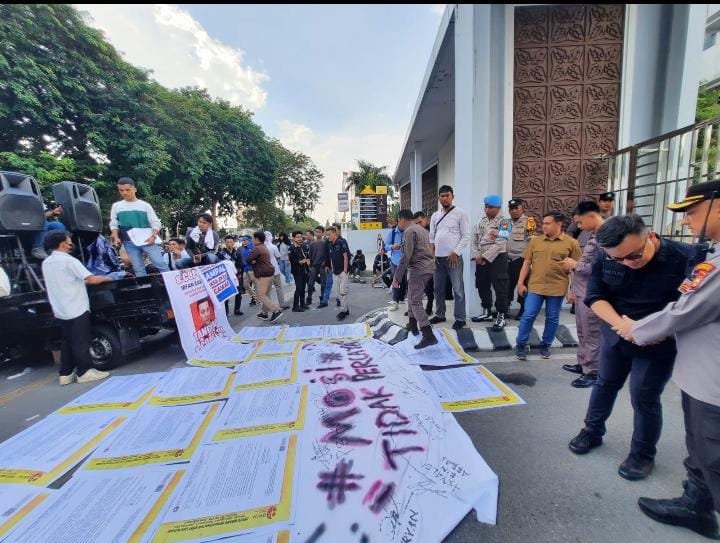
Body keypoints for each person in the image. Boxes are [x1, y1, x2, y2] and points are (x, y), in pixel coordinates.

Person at [615, 180, 720, 539]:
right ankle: (697, 507)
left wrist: (635, 329)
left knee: (714, 457)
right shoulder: (711, 254)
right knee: (701, 451)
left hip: (713, 382)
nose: (687, 220)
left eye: (692, 211)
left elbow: (684, 311)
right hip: (701, 375)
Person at [568, 214, 695, 481]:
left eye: (634, 256)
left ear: (651, 237)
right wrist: (624, 327)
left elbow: (691, 307)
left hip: (659, 342)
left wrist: (655, 331)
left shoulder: (684, 258)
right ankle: (592, 431)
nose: (627, 263)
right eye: (619, 259)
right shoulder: (607, 256)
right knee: (604, 384)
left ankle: (642, 454)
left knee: (644, 397)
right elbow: (595, 296)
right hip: (616, 334)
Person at [41, 231, 113, 385]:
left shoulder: (47, 262)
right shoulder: (69, 261)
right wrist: (108, 278)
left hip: (61, 308)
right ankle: (84, 372)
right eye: (68, 241)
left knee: (67, 341)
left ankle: (65, 373)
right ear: (62, 244)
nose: (70, 243)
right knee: (81, 340)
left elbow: (68, 280)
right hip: (76, 305)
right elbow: (91, 279)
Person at [515, 211, 581, 360]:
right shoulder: (536, 241)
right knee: (528, 315)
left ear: (559, 224)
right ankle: (521, 344)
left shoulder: (571, 243)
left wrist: (573, 291)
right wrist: (520, 283)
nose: (544, 226)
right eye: (543, 223)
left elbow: (576, 268)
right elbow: (526, 263)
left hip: (557, 287)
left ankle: (545, 345)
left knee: (552, 317)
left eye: (547, 223)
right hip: (536, 286)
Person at [560, 201, 605, 388]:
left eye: (580, 222)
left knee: (592, 333)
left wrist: (575, 265)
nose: (579, 226)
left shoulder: (606, 236)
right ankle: (583, 363)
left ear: (591, 216)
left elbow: (601, 267)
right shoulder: (594, 234)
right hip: (581, 290)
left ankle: (593, 372)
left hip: (592, 293)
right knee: (582, 331)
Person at [393, 209, 437, 349]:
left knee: (414, 301)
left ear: (402, 219)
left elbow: (406, 256)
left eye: (398, 221)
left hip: (418, 269)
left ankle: (428, 334)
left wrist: (397, 277)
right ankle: (413, 325)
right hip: (426, 267)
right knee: (411, 296)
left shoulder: (409, 231)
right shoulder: (422, 229)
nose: (398, 224)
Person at [429, 185, 471, 330]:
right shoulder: (435, 216)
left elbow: (466, 236)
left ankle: (460, 318)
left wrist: (456, 252)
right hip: (437, 259)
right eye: (442, 196)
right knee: (438, 288)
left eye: (447, 195)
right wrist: (432, 253)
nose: (445, 198)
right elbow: (431, 237)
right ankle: (440, 314)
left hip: (454, 258)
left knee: (458, 289)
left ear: (453, 197)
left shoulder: (461, 214)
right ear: (439, 198)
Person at [109, 177, 169, 277]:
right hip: (128, 241)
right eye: (121, 190)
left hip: (147, 240)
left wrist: (153, 236)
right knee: (138, 268)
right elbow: (114, 223)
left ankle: (171, 283)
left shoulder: (144, 205)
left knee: (160, 263)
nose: (124, 193)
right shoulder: (116, 206)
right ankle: (144, 286)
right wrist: (116, 237)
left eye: (127, 190)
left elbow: (155, 222)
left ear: (135, 189)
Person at [470, 195, 511, 331]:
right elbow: (474, 239)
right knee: (482, 285)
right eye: (486, 207)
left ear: (498, 208)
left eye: (490, 207)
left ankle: (501, 316)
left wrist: (485, 257)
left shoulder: (505, 222)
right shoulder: (481, 221)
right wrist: (477, 256)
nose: (487, 209)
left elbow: (501, 243)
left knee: (500, 287)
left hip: (498, 259)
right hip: (481, 259)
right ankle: (486, 312)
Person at [506, 199, 534, 320]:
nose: (514, 211)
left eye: (516, 208)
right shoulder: (505, 222)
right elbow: (501, 239)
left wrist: (529, 259)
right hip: (507, 259)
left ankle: (523, 309)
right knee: (506, 285)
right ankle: (505, 308)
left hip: (520, 259)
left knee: (522, 284)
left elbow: (531, 240)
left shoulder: (529, 221)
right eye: (511, 209)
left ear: (522, 209)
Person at [246, 231, 283, 323]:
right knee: (266, 294)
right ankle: (264, 313)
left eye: (253, 238)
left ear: (256, 239)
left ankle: (276, 311)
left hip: (263, 274)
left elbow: (248, 260)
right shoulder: (264, 247)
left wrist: (253, 261)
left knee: (261, 295)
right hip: (270, 273)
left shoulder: (257, 249)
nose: (252, 240)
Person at [326, 226, 350, 320]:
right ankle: (346, 309)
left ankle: (343, 311)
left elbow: (346, 256)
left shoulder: (341, 242)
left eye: (329, 234)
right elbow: (331, 258)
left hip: (342, 272)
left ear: (334, 233)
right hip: (335, 272)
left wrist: (345, 270)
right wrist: (331, 268)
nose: (328, 236)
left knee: (343, 291)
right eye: (327, 235)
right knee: (337, 292)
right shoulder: (330, 244)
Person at [413, 211, 435, 315]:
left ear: (425, 219)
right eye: (416, 223)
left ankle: (429, 308)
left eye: (420, 222)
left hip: (430, 263)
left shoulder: (432, 231)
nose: (418, 225)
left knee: (429, 288)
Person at [218, 235, 244, 316]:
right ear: (225, 243)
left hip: (236, 275)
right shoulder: (221, 254)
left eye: (231, 242)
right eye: (227, 242)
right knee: (226, 295)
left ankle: (237, 309)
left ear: (233, 243)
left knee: (239, 293)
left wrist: (238, 272)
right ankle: (226, 312)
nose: (229, 243)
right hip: (225, 277)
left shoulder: (237, 253)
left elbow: (241, 264)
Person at [264, 231, 290, 310]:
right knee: (278, 287)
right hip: (274, 269)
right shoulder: (273, 247)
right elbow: (278, 256)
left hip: (265, 270)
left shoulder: (261, 247)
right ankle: (282, 304)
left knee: (267, 289)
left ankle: (268, 306)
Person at [385, 220, 406, 311]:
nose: (404, 224)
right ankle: (395, 301)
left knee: (405, 281)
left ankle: (402, 298)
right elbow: (386, 246)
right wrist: (392, 247)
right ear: (398, 222)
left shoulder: (409, 232)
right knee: (395, 281)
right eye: (402, 222)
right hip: (395, 261)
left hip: (407, 261)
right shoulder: (392, 232)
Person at [288, 230, 311, 312]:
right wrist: (301, 261)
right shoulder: (291, 248)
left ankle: (302, 304)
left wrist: (308, 260)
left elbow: (308, 256)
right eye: (297, 237)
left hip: (305, 270)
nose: (300, 238)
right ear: (293, 238)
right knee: (299, 288)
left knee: (303, 288)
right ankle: (295, 306)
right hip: (297, 271)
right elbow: (293, 260)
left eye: (301, 237)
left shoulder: (304, 246)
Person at [309, 226, 331, 308]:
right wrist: (310, 265)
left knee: (323, 284)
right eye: (316, 231)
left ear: (322, 233)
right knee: (310, 283)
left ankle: (322, 299)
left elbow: (328, 254)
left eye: (319, 232)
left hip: (322, 266)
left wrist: (325, 263)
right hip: (314, 266)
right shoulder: (312, 243)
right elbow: (310, 255)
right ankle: (309, 298)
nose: (317, 233)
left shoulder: (325, 243)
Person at [239, 236, 258, 306]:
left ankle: (256, 299)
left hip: (253, 269)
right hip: (245, 268)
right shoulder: (243, 248)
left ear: (249, 240)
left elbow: (258, 256)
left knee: (256, 284)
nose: (243, 241)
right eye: (243, 240)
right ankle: (254, 297)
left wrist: (256, 261)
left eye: (245, 240)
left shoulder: (253, 247)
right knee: (245, 285)